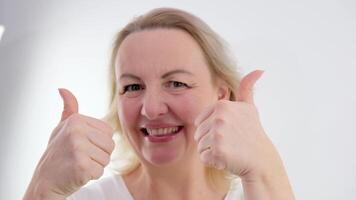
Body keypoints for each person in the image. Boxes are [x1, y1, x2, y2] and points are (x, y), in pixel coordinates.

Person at [24, 7, 294, 200]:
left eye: (176, 83)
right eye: (132, 87)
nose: (151, 109)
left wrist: (266, 169)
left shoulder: (259, 192)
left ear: (221, 95)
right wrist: (42, 189)